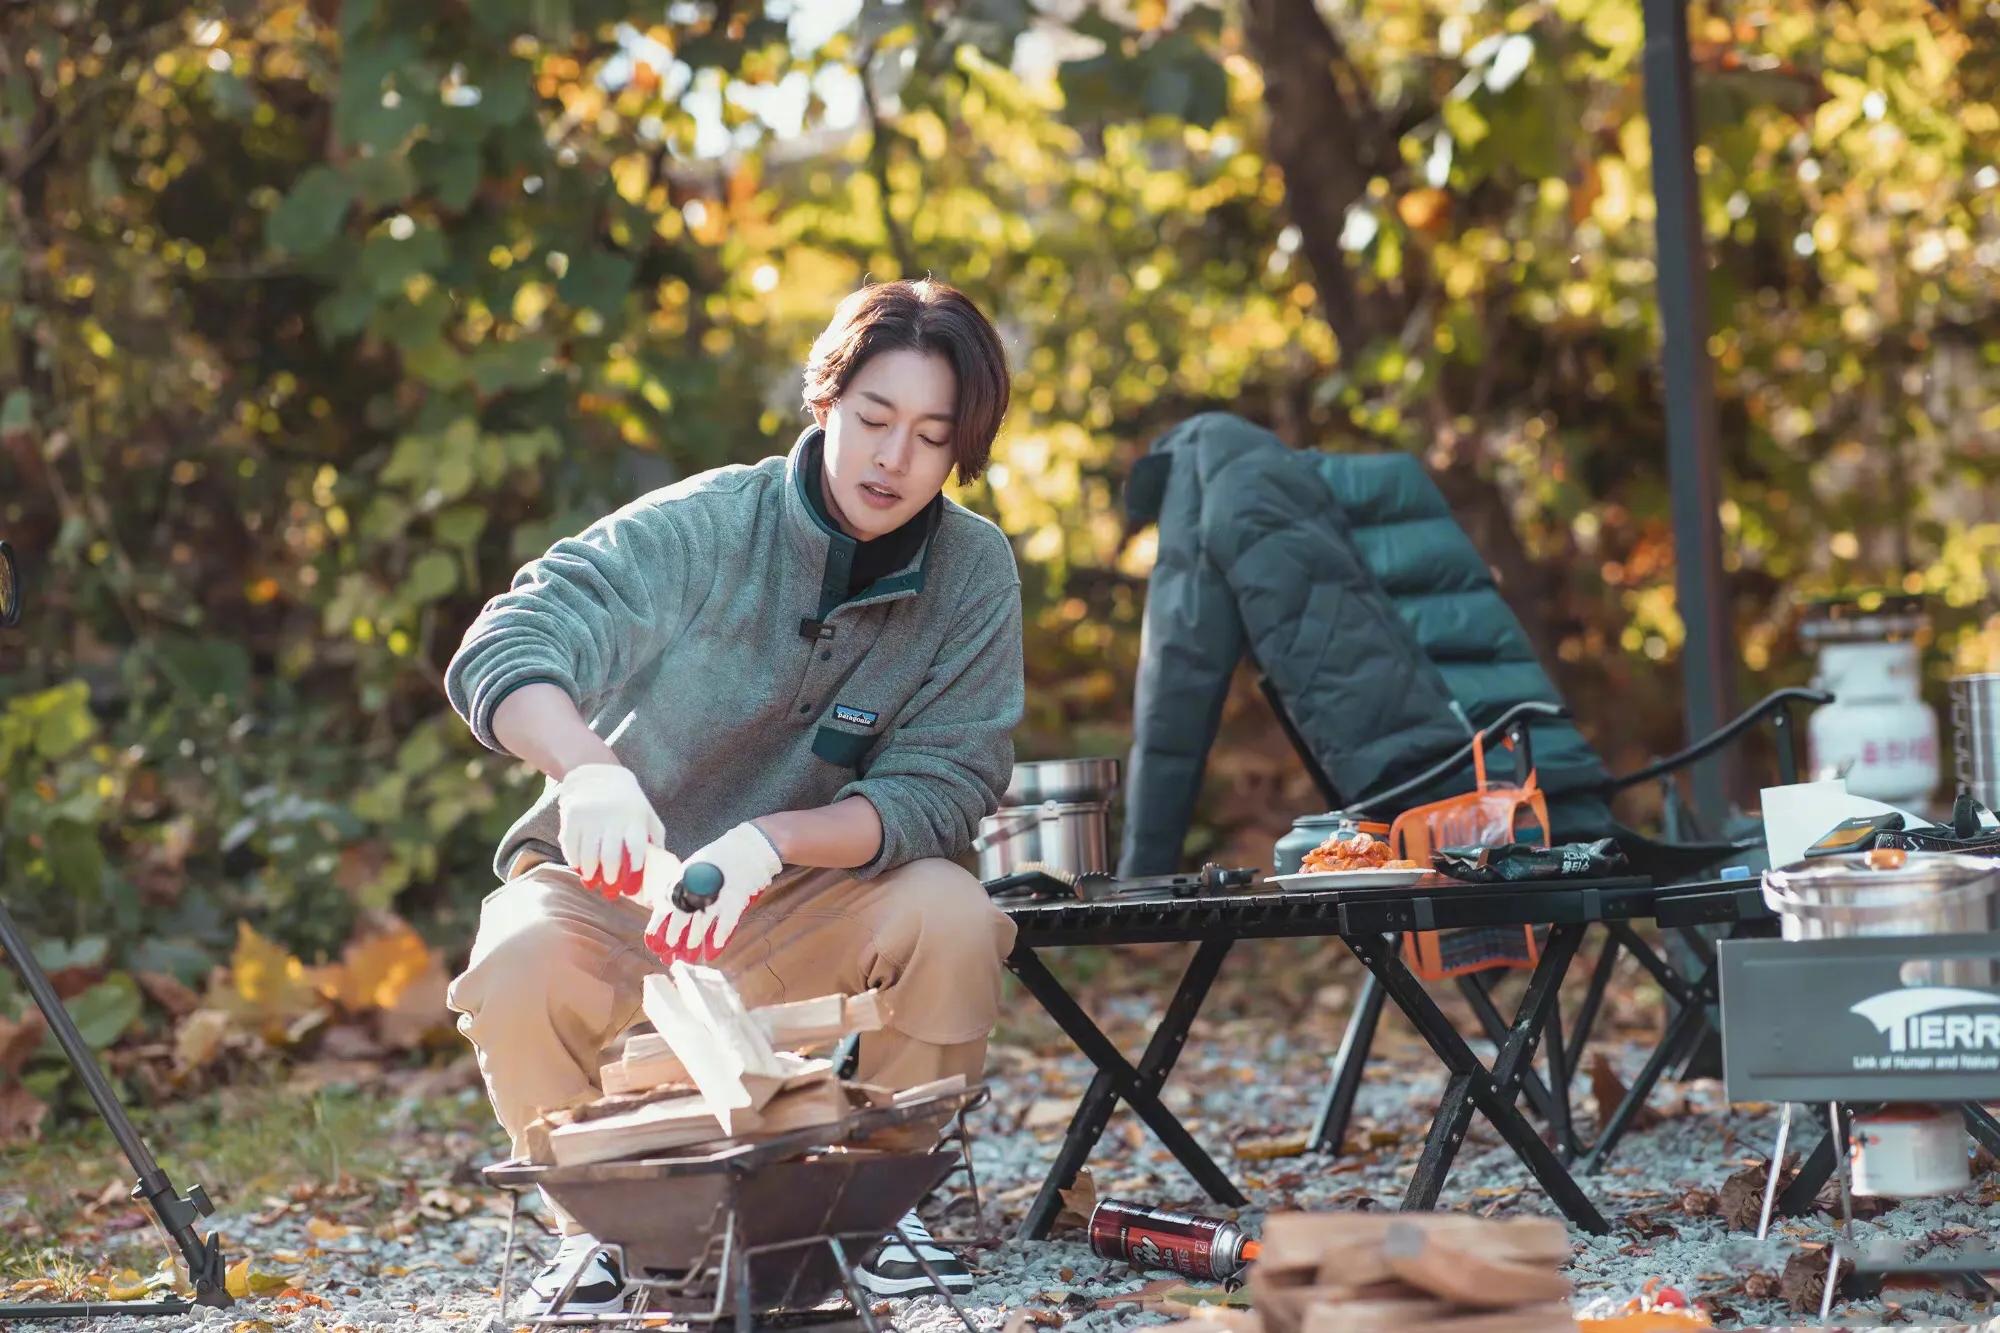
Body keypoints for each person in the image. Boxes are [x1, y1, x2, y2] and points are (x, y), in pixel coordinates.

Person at [442, 279, 1024, 1315]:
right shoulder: (706, 528)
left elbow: (944, 786)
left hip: (798, 899)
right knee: (516, 956)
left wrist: (771, 840)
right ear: (823, 402)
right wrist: (589, 771)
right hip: (619, 889)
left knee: (952, 911)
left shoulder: (971, 572)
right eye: (872, 419)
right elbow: (507, 641)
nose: (893, 459)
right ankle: (603, 1231)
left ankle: (881, 1213)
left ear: (960, 450)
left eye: (931, 437)